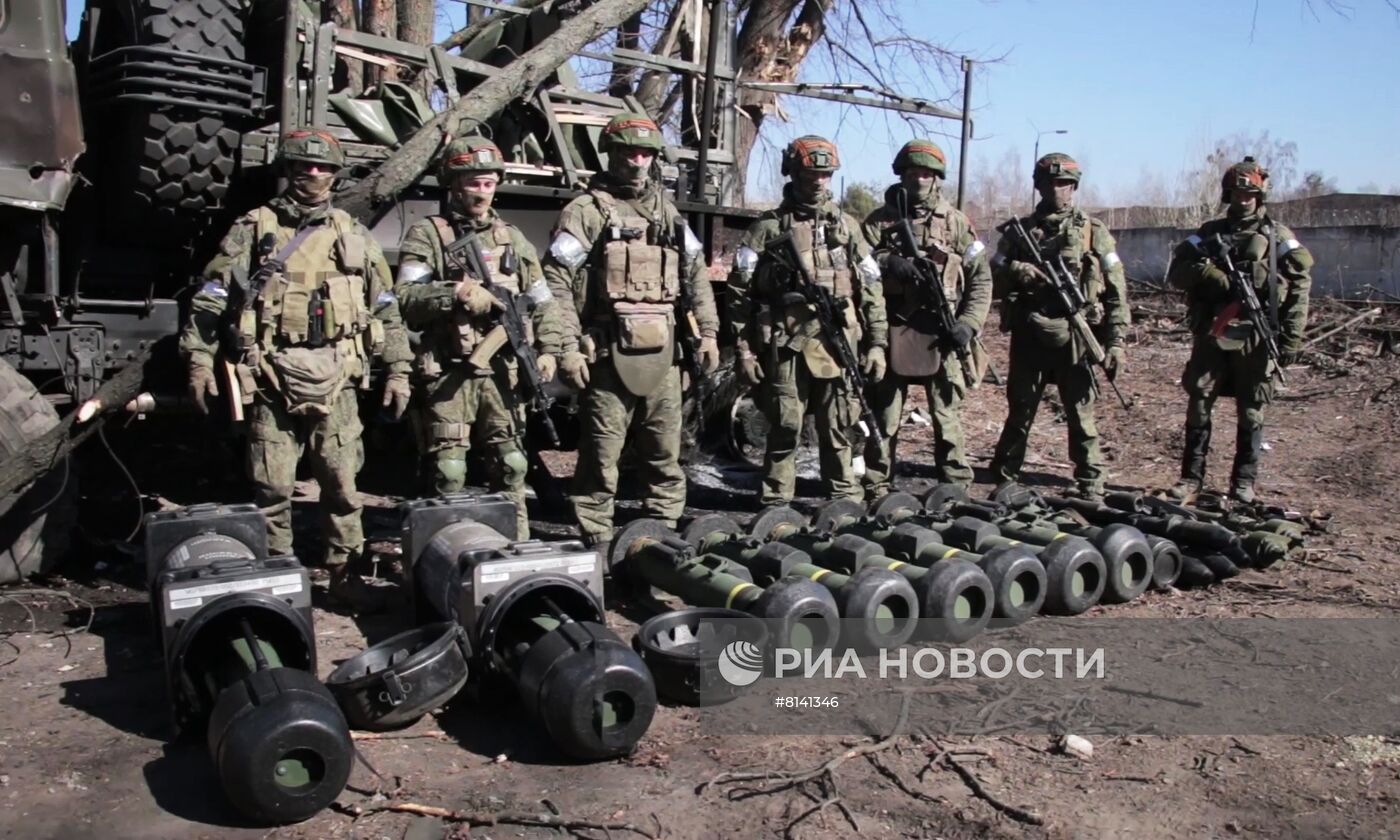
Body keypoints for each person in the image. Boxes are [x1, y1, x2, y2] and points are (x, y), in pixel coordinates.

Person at [181, 129, 412, 610]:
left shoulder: (353, 233)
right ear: (286, 171)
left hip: (339, 377)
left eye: (322, 167)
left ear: (335, 174)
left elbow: (386, 306)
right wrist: (199, 361)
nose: (312, 175)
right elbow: (212, 298)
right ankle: (280, 578)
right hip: (270, 376)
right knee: (271, 487)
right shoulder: (255, 228)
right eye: (302, 166)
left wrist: (398, 369)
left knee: (343, 486)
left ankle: (345, 574)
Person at [541, 113, 719, 547]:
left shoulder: (667, 210)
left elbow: (695, 273)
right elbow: (555, 282)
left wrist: (709, 331)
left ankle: (661, 535)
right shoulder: (585, 211)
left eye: (645, 153)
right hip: (605, 355)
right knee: (602, 456)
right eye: (628, 152)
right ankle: (597, 541)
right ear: (612, 154)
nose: (637, 161)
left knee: (665, 451)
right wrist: (565, 346)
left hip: (663, 353)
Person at [395, 136, 565, 538]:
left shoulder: (513, 238)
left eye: (489, 184)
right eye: (474, 183)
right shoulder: (428, 235)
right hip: (450, 372)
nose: (482, 193)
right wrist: (455, 293)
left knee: (512, 465)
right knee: (448, 470)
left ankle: (514, 545)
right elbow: (404, 299)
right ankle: (446, 547)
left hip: (504, 374)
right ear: (453, 185)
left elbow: (543, 300)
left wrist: (549, 349)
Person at [728, 135, 888, 506]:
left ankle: (843, 499)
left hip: (837, 345)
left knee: (838, 424)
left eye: (826, 175)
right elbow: (739, 294)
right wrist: (744, 350)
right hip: (787, 345)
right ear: (794, 174)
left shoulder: (848, 228)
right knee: (786, 425)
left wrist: (877, 343)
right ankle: (776, 503)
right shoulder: (766, 229)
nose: (819, 182)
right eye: (810, 174)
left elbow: (871, 287)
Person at [1166, 156, 1313, 503]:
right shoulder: (1208, 233)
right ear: (1227, 194)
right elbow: (1177, 272)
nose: (1243, 200)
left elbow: (1300, 285)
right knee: (1199, 402)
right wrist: (1208, 274)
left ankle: (1243, 482)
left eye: (1249, 194)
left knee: (1251, 408)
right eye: (1236, 193)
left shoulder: (1277, 237)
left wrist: (1291, 337)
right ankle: (1191, 478)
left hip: (1257, 336)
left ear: (1260, 197)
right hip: (1213, 333)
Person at [988, 153, 1129, 499]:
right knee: (1021, 408)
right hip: (1030, 331)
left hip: (1076, 333)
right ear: (1038, 185)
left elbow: (1116, 291)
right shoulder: (1021, 232)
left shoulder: (1093, 232)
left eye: (1065, 183)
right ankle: (1006, 470)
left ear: (1075, 187)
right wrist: (1017, 271)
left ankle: (1090, 477)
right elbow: (993, 273)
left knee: (1080, 411)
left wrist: (1116, 342)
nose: (1058, 190)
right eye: (1051, 183)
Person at [860, 139, 991, 494]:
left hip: (942, 332)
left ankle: (955, 487)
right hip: (893, 330)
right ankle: (875, 485)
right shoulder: (876, 223)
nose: (920, 180)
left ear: (938, 178)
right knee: (884, 417)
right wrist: (889, 262)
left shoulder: (958, 224)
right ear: (901, 175)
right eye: (913, 173)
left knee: (947, 417)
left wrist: (969, 324)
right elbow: (858, 273)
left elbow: (981, 280)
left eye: (927, 174)